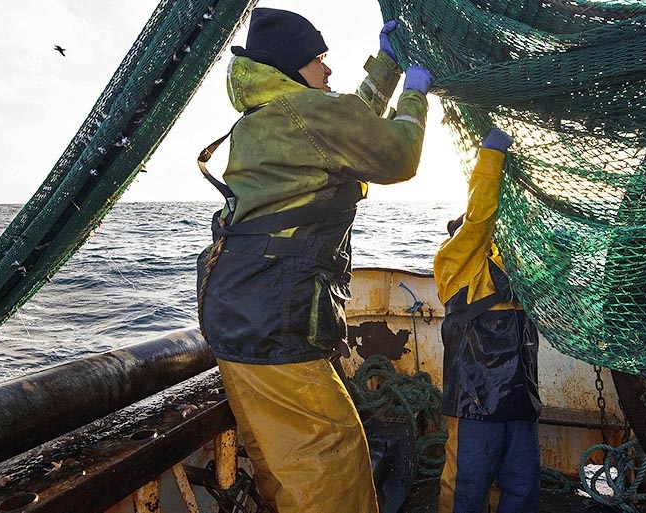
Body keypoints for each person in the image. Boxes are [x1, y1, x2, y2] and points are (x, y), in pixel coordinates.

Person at [195, 8, 434, 513]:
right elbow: (394, 154)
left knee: (284, 468)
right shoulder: (306, 114)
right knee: (333, 467)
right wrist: (414, 94)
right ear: (291, 65)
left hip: (236, 316)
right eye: (319, 60)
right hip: (274, 326)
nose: (328, 70)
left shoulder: (271, 116)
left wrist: (387, 67)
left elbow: (347, 124)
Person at [433, 128, 542, 513]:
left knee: (523, 484)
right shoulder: (456, 262)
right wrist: (491, 158)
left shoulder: (521, 268)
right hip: (475, 400)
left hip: (520, 397)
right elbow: (479, 218)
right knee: (467, 485)